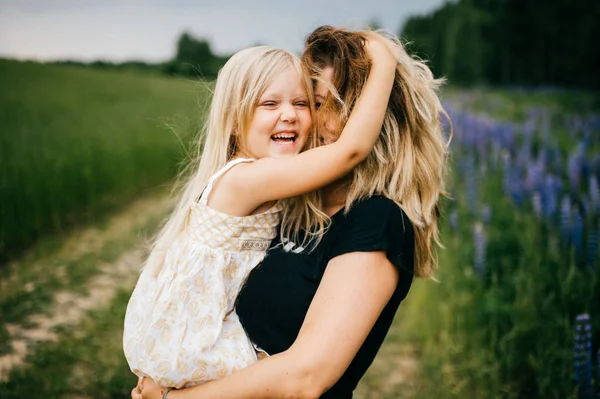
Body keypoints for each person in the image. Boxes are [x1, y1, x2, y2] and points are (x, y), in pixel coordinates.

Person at [132, 26, 449, 399]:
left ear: (376, 115)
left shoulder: (377, 220)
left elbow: (304, 378)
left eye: (316, 103)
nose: (306, 118)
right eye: (315, 102)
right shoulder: (287, 205)